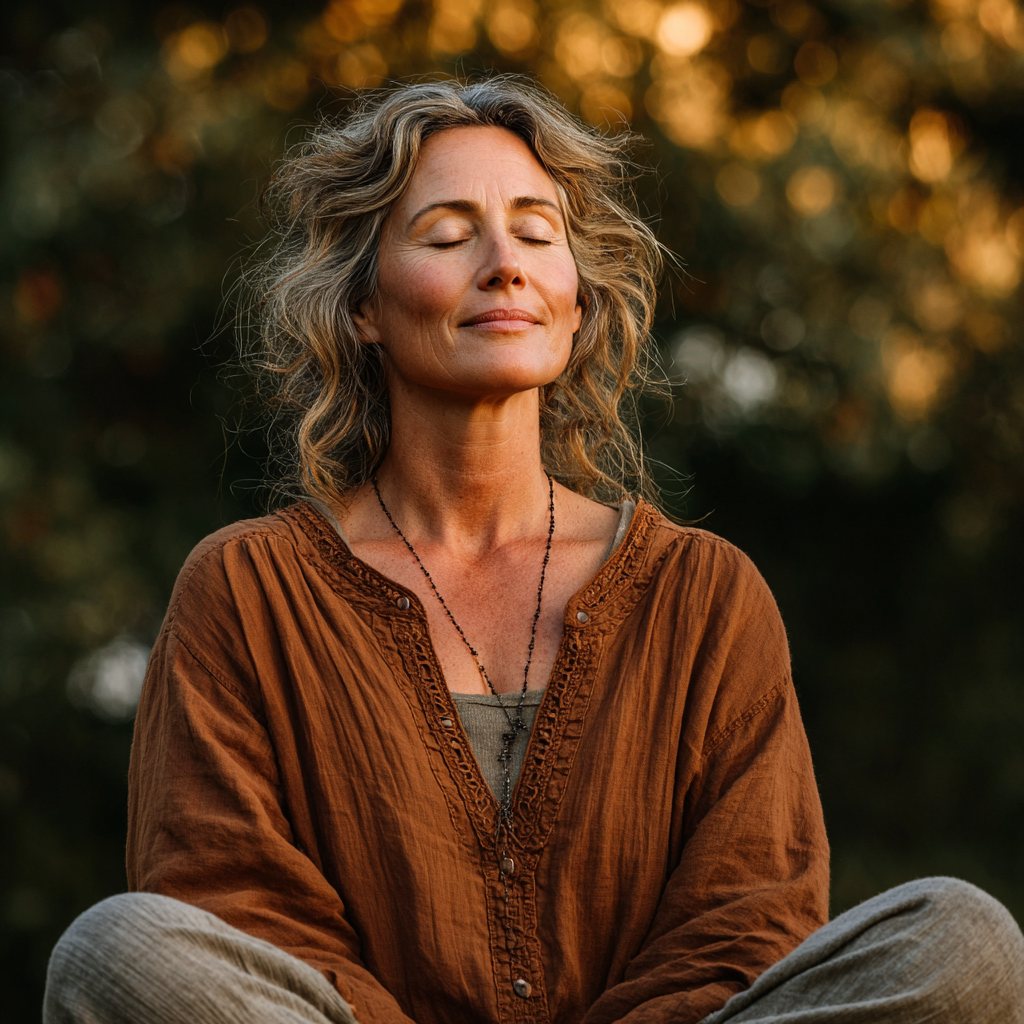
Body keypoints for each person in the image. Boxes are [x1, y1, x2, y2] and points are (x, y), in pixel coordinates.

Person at [43, 77, 1023, 1024]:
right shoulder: (247, 588)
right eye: (446, 234)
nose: (503, 262)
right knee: (119, 948)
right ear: (362, 307)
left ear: (576, 300)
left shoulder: (704, 595)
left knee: (963, 938)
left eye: (535, 231)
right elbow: (236, 900)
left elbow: (745, 925)